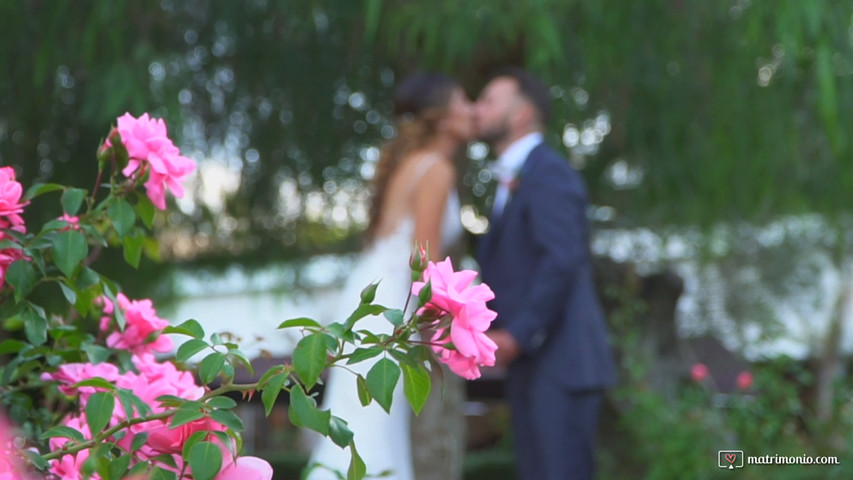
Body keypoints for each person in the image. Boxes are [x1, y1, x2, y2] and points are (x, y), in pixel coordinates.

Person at [305, 72, 473, 480]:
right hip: (394, 299)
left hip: (373, 292)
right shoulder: (436, 169)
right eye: (465, 102)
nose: (473, 111)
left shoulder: (410, 165)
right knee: (375, 420)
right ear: (445, 117)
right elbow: (425, 257)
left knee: (360, 413)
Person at [474, 68, 617, 480]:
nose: (478, 110)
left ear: (522, 115)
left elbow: (562, 259)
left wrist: (518, 334)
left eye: (488, 101)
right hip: (536, 366)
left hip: (563, 363)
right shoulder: (516, 177)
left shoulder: (549, 173)